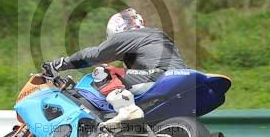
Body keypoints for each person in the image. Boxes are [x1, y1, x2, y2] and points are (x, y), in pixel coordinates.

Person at [43, 8, 187, 124]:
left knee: (104, 71)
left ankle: (127, 110)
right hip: (180, 77)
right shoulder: (155, 34)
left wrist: (59, 64)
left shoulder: (127, 36)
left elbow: (95, 55)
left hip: (159, 76)